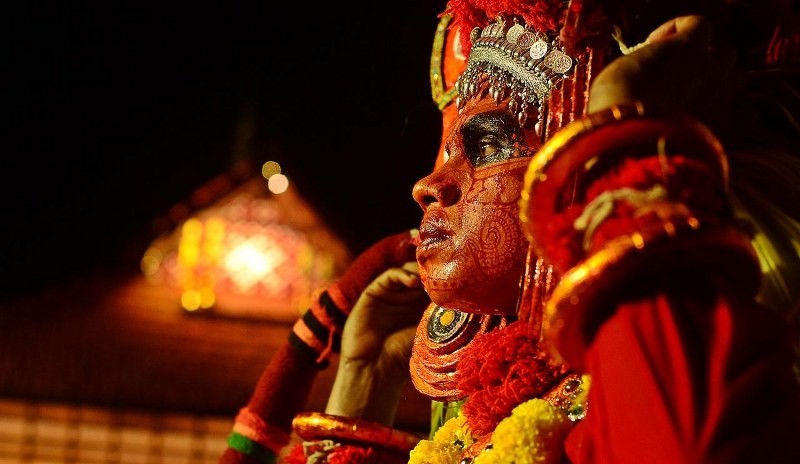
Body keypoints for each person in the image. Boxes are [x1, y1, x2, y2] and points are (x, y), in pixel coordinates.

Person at [225, 0, 800, 462]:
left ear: (582, 179)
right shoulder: (483, 432)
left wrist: (628, 125)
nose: (426, 185)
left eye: (488, 144)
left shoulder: (638, 390)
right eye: (447, 151)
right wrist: (361, 386)